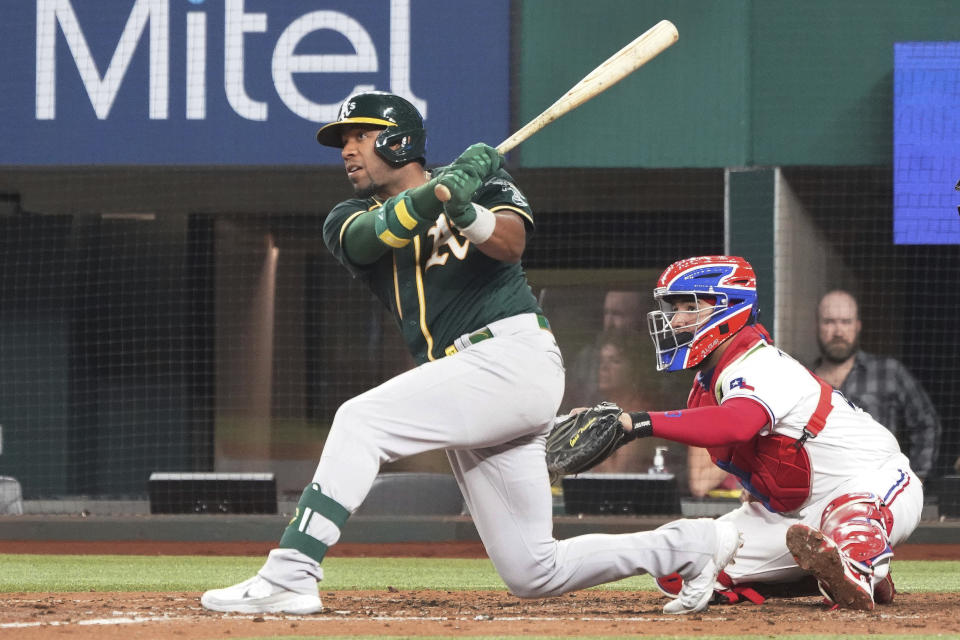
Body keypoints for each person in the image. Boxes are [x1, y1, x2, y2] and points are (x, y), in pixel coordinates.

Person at [200, 92, 741, 616]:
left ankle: (291, 573)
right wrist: (438, 195)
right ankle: (690, 546)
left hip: (512, 357)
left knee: (359, 420)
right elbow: (371, 239)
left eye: (362, 136)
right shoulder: (344, 216)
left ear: (398, 141)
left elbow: (509, 243)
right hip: (469, 379)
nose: (347, 150)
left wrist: (464, 205)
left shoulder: (484, 182)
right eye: (344, 139)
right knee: (533, 570)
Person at [604, 256, 922, 610]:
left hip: (875, 480)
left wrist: (640, 422)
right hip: (798, 515)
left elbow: (737, 424)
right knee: (689, 566)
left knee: (850, 516)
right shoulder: (707, 383)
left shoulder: (761, 362)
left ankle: (859, 564)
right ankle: (843, 570)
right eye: (674, 308)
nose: (676, 320)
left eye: (689, 307)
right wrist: (760, 490)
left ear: (729, 309)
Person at [812, 289, 942, 481]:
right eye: (829, 322)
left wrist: (916, 480)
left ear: (857, 326)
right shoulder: (805, 382)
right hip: (818, 496)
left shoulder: (889, 372)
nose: (838, 331)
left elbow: (927, 423)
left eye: (846, 322)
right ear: (817, 326)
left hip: (878, 492)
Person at [564, 290, 645, 407]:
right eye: (606, 313)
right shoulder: (586, 359)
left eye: (618, 314)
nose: (610, 322)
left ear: (637, 317)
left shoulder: (653, 359)